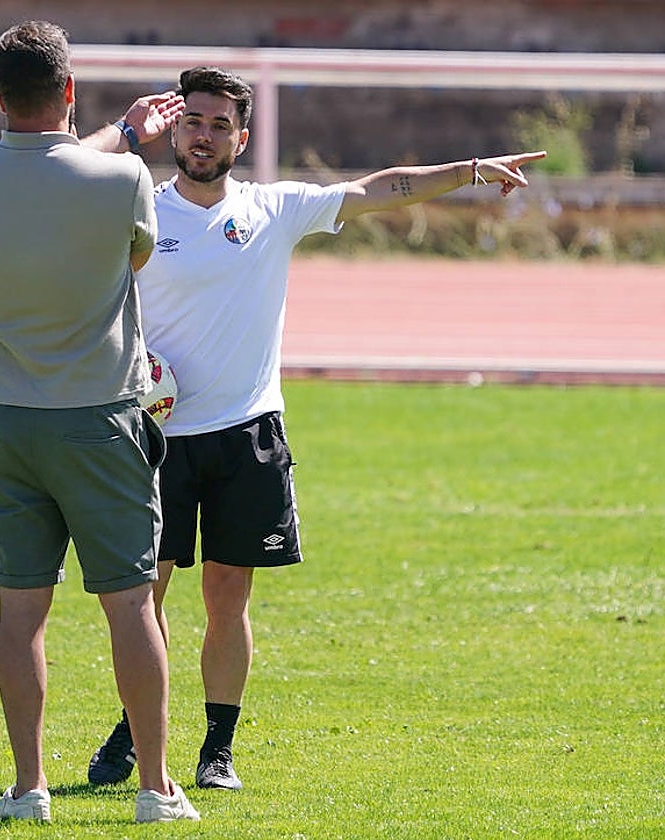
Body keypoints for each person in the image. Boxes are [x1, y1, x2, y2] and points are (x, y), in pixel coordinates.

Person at [85, 65, 547, 791]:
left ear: (241, 138)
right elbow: (61, 173)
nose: (203, 136)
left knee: (228, 597)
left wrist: (469, 170)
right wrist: (122, 130)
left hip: (246, 433)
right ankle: (134, 729)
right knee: (147, 597)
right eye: (192, 121)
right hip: (157, 436)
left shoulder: (273, 208)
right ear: (173, 128)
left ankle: (216, 750)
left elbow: (381, 189)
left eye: (218, 125)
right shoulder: (136, 206)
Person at [0, 20, 199, 824]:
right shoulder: (122, 179)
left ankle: (29, 788)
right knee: (131, 604)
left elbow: (42, 165)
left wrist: (120, 130)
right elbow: (132, 254)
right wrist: (127, 136)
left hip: (4, 420)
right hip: (98, 418)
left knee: (20, 612)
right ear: (68, 89)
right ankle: (155, 788)